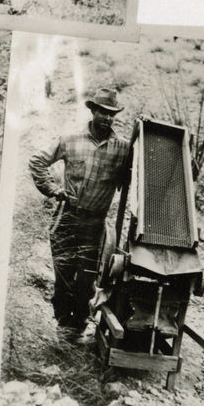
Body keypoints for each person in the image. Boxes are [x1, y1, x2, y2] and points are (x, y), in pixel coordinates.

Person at [27, 87, 132, 341]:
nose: (107, 118)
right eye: (102, 112)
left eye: (111, 114)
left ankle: (79, 326)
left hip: (95, 223)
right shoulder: (71, 140)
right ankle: (63, 328)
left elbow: (140, 171)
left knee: (86, 279)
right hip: (67, 217)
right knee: (63, 274)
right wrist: (53, 189)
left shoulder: (123, 148)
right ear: (93, 111)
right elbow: (37, 161)